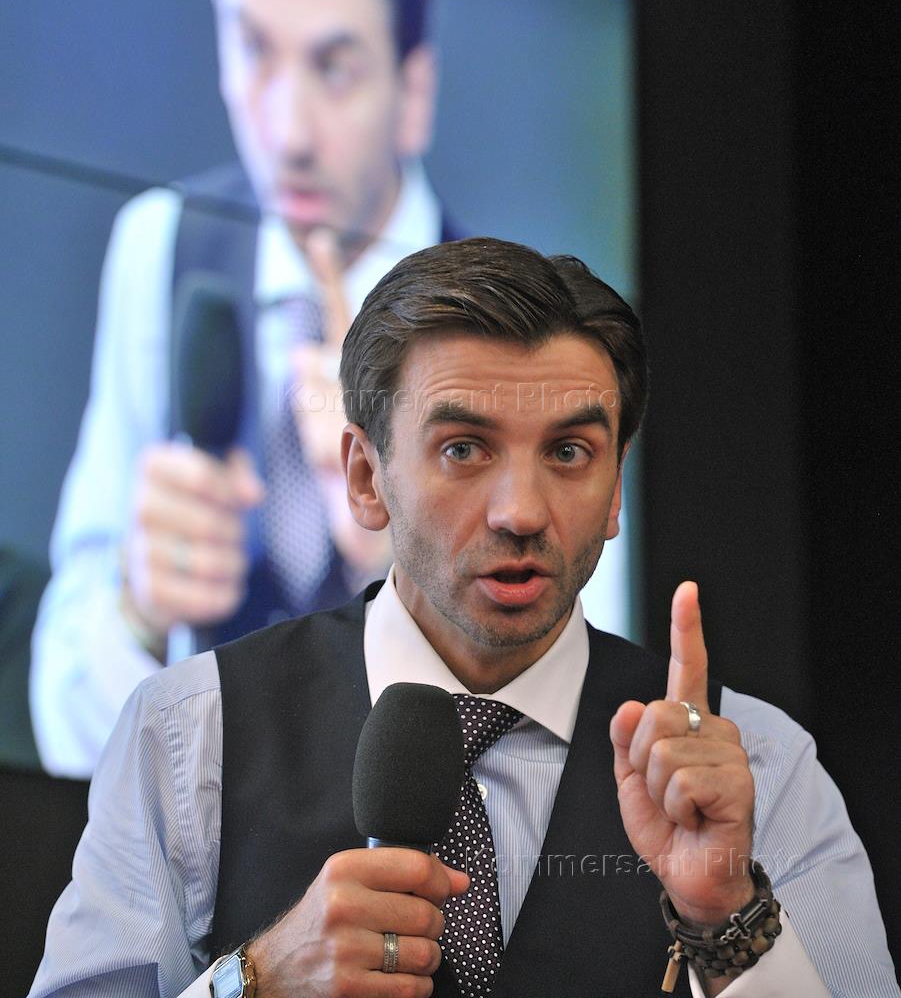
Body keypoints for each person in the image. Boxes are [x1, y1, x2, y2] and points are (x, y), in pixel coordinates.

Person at [30, 239, 897, 997]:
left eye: (569, 452)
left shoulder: (757, 767)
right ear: (365, 479)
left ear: (614, 491)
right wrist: (255, 980)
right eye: (463, 449)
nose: (520, 510)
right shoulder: (191, 733)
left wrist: (728, 919)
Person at [29, 0, 456, 779]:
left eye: (334, 67)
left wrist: (409, 571)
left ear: (415, 92)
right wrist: (138, 609)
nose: (287, 132)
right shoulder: (159, 248)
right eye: (254, 48)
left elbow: (570, 757)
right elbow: (62, 719)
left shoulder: (517, 322)